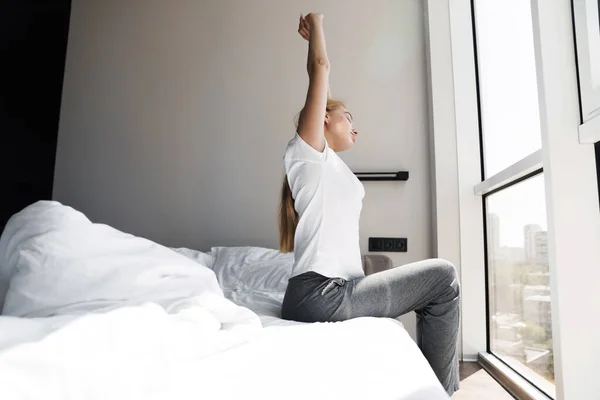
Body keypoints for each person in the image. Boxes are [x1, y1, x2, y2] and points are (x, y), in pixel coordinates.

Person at [278, 13, 460, 396]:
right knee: (444, 277)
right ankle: (445, 393)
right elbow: (320, 68)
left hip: (330, 291)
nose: (355, 126)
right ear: (323, 119)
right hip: (320, 295)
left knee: (437, 287)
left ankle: (434, 387)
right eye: (348, 117)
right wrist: (317, 24)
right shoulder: (308, 154)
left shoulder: (330, 167)